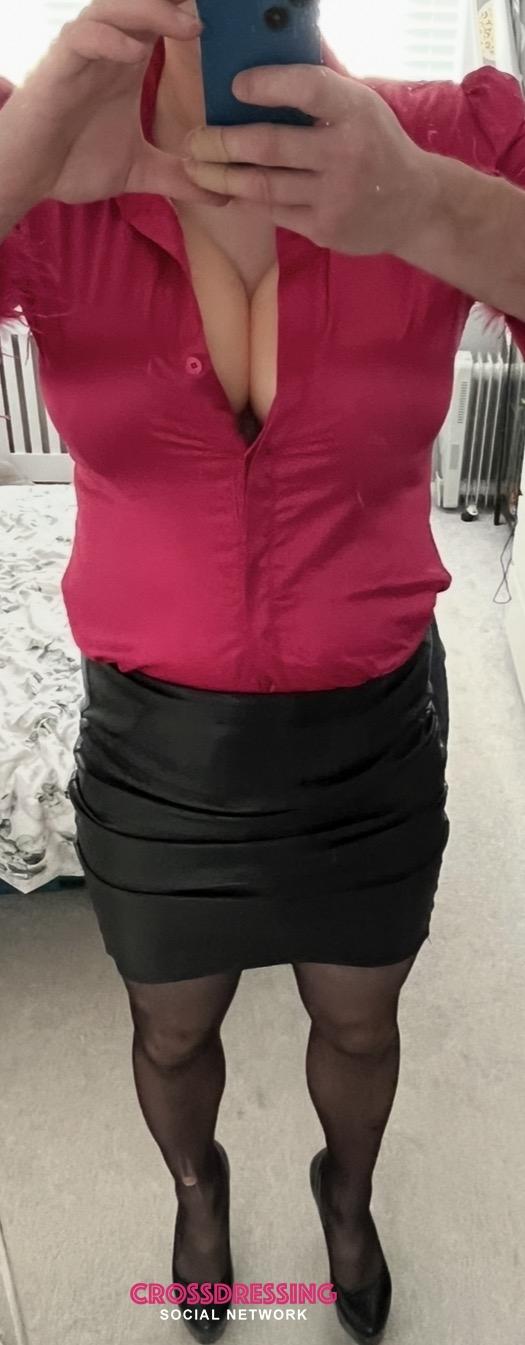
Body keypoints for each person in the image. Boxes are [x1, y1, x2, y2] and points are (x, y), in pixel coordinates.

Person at [1, 4, 525, 1341]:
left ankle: (346, 1193)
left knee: (359, 1023)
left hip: (369, 737)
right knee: (170, 1030)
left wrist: (426, 207)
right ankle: (198, 1189)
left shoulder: (453, 139)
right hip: (155, 748)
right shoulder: (37, 149)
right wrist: (27, 151)